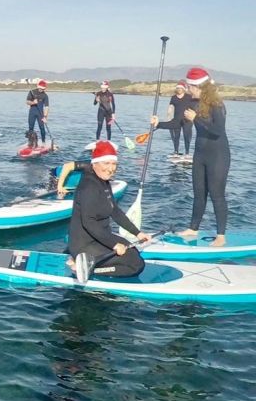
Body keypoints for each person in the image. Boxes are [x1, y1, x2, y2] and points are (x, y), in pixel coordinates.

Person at [151, 68, 229, 246]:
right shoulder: (192, 103)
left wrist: (196, 119)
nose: (188, 90)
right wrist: (158, 124)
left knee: (216, 194)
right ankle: (193, 229)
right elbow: (177, 123)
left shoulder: (216, 104)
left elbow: (218, 130)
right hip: (200, 155)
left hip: (218, 155)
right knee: (199, 193)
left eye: (190, 87)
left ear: (199, 86)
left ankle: (221, 236)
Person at [56, 141, 152, 281]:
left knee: (134, 252)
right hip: (84, 244)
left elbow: (115, 211)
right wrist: (114, 244)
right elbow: (89, 222)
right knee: (135, 265)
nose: (111, 168)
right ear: (94, 164)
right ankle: (82, 266)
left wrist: (137, 233)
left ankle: (78, 260)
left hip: (99, 238)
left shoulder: (103, 182)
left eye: (114, 164)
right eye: (106, 163)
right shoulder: (89, 187)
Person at [153, 80, 196, 155]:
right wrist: (168, 117)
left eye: (180, 88)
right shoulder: (173, 98)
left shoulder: (189, 97)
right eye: (178, 88)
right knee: (176, 136)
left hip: (187, 120)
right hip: (176, 120)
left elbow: (195, 106)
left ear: (183, 89)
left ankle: (187, 153)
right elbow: (170, 108)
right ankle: (176, 151)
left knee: (186, 136)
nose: (179, 89)